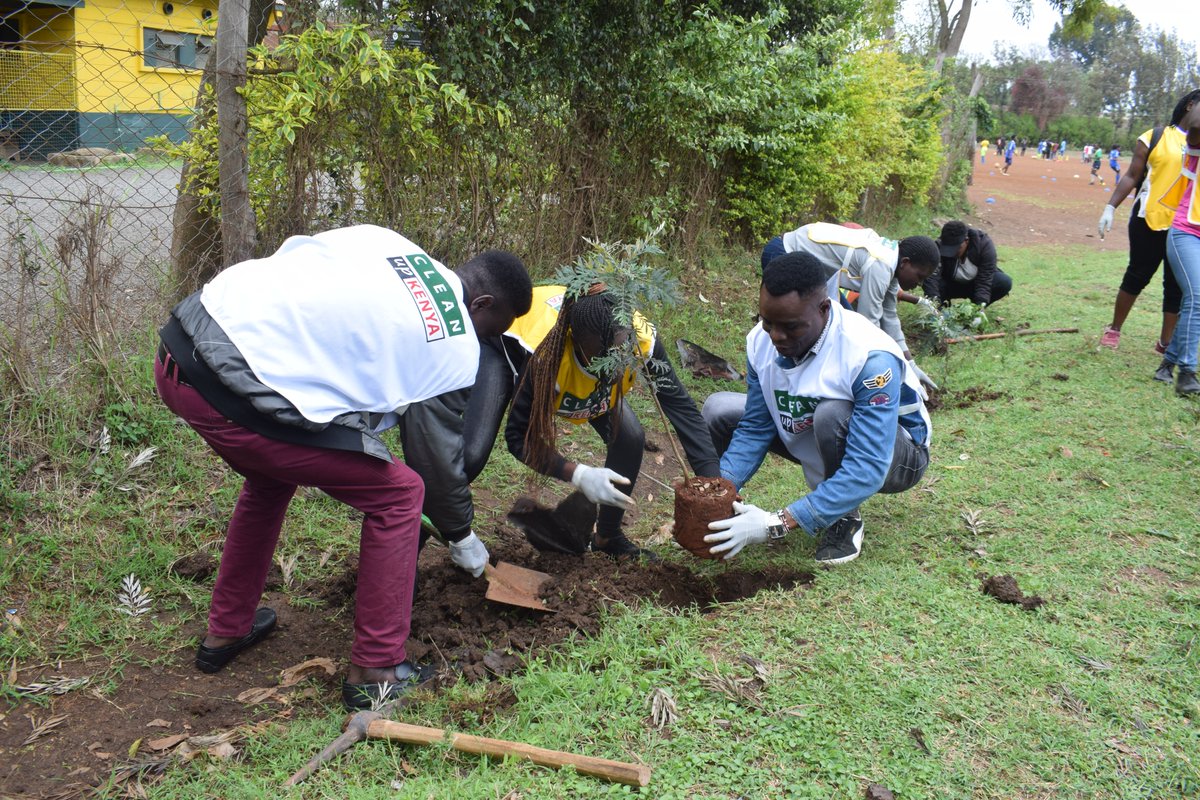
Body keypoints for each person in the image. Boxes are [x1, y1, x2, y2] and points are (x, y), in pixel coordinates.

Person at [155, 225, 533, 709]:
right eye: (493, 330)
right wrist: (461, 535)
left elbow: (299, 257)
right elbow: (433, 458)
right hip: (233, 391)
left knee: (273, 476)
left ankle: (229, 628)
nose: (483, 344)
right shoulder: (454, 340)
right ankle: (376, 668)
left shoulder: (392, 245)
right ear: (481, 305)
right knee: (401, 494)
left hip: (183, 342)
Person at [701, 253, 931, 565]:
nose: (776, 337)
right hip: (813, 429)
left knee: (832, 414)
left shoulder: (867, 355)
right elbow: (756, 427)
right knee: (718, 409)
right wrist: (715, 493)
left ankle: (843, 519)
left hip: (898, 454)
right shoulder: (760, 342)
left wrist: (776, 523)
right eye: (768, 322)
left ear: (824, 309)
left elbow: (868, 468)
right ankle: (721, 511)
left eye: (791, 327)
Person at [503, 285, 721, 557]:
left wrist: (716, 488)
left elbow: (681, 407)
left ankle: (607, 537)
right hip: (510, 353)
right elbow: (517, 437)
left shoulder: (640, 342)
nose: (619, 368)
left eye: (623, 353)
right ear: (580, 345)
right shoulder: (544, 356)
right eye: (606, 361)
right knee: (474, 450)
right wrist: (577, 473)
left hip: (583, 379)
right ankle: (454, 521)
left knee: (629, 437)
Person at [760, 222, 941, 395]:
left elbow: (890, 317)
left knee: (839, 320)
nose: (919, 284)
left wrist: (910, 365)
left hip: (811, 265)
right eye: (920, 276)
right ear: (905, 263)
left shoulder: (891, 264)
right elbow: (869, 324)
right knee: (798, 327)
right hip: (784, 252)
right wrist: (884, 369)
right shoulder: (881, 265)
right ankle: (783, 380)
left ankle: (822, 378)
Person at [1096, 90, 1198, 354]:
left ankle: (1165, 343)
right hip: (1148, 218)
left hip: (1185, 226)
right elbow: (1132, 176)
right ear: (1190, 106)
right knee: (1137, 274)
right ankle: (1114, 328)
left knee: (1175, 285)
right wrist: (1110, 207)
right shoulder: (1155, 136)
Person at [1154, 96, 1200, 395]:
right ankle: (1187, 371)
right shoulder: (1196, 144)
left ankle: (1166, 364)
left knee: (1193, 301)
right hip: (1186, 231)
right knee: (1197, 296)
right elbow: (1195, 123)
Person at [926, 220, 1012, 308]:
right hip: (950, 285)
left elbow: (985, 279)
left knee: (1004, 282)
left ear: (966, 241)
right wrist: (934, 306)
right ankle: (941, 306)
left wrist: (979, 307)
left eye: (956, 248)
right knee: (932, 281)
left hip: (975, 285)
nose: (951, 253)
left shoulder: (984, 245)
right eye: (947, 248)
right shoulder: (938, 246)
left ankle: (973, 309)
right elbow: (932, 278)